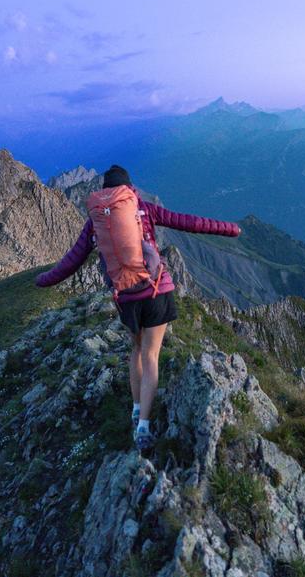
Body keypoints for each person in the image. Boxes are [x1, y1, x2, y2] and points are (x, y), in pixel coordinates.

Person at [35, 164, 241, 451]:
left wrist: (43, 280)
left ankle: (135, 408)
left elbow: (71, 261)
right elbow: (187, 222)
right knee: (152, 355)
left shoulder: (96, 221)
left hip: (126, 300)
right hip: (156, 291)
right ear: (128, 189)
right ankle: (144, 426)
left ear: (105, 191)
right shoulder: (144, 209)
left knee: (136, 351)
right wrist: (228, 229)